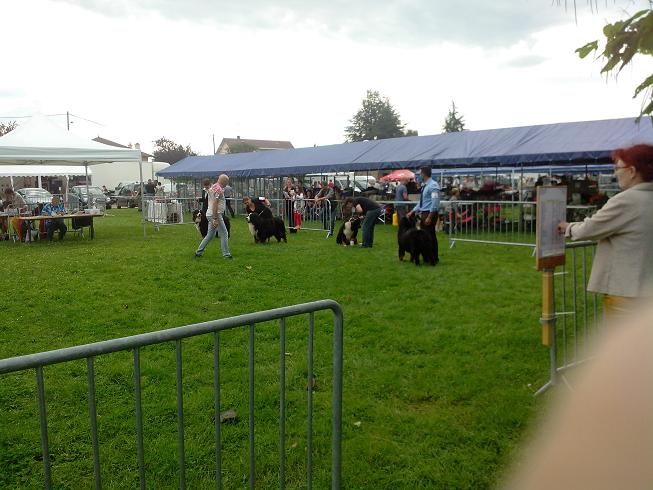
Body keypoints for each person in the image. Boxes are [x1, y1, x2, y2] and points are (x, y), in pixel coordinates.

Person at [557, 144, 653, 315]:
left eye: (617, 168)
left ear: (632, 171)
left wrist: (568, 227)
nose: (615, 173)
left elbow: (591, 228)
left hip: (627, 291)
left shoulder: (627, 200)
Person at [407, 166, 440, 264]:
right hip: (425, 213)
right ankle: (428, 257)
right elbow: (423, 202)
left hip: (429, 213)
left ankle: (433, 257)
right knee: (426, 236)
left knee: (430, 236)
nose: (419, 175)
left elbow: (435, 202)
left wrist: (430, 216)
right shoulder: (425, 185)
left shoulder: (433, 186)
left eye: (420, 173)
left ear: (424, 174)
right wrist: (412, 211)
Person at [195, 174, 232, 259]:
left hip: (210, 213)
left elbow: (210, 201)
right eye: (227, 181)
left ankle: (198, 252)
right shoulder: (218, 189)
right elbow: (215, 203)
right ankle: (226, 255)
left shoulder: (213, 186)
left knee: (210, 235)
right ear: (225, 182)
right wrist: (215, 218)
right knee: (224, 234)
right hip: (216, 214)